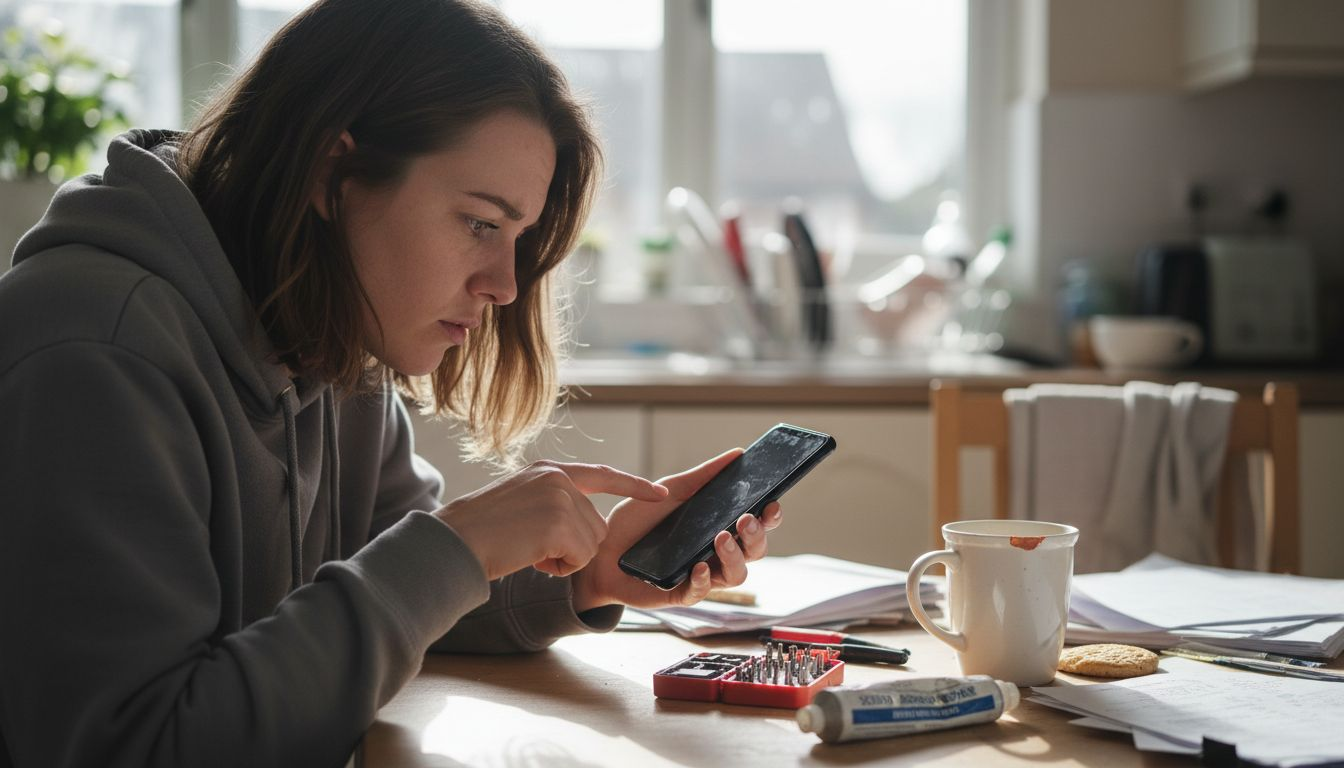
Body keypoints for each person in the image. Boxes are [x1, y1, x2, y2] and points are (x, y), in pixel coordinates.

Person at [0, 1, 783, 765]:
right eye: (480, 223)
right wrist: (459, 544)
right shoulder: (94, 353)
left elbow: (395, 606)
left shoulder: (327, 331)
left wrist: (592, 572)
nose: (506, 285)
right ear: (333, 172)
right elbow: (138, 744)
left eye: (517, 238)